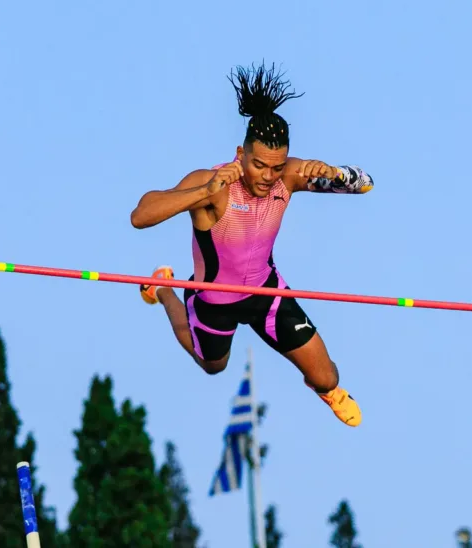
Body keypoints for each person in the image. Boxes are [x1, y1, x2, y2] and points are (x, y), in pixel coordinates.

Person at [130, 62, 374, 427]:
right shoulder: (213, 182)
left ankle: (326, 390)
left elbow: (366, 183)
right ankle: (163, 288)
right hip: (215, 300)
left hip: (266, 293)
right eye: (259, 165)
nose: (268, 176)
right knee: (213, 365)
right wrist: (204, 192)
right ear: (240, 154)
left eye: (276, 167)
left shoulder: (288, 176)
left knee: (327, 378)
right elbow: (141, 215)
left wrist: (334, 174)